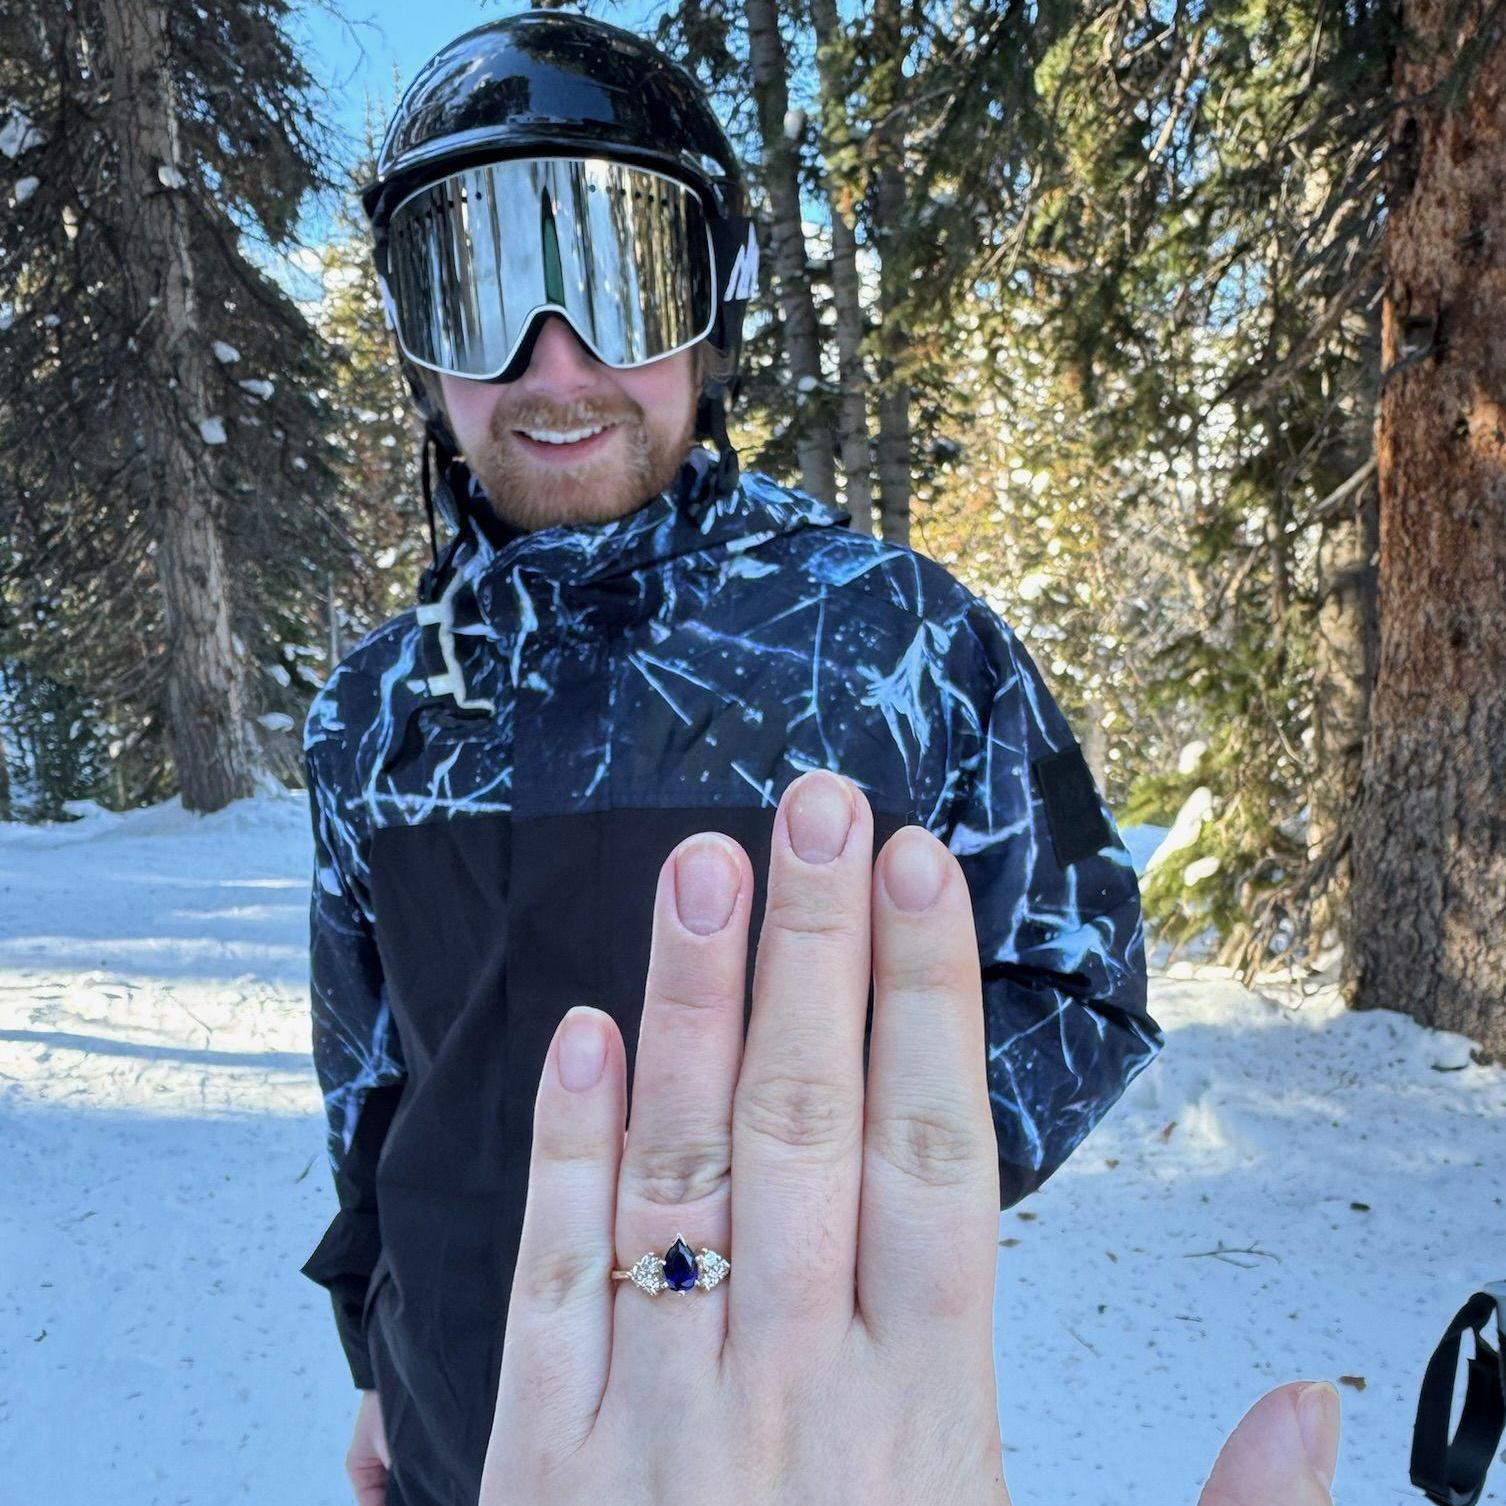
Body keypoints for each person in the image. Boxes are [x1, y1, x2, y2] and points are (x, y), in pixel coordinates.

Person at [299, 12, 1162, 1504]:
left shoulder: (897, 644)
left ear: (711, 311)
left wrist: (804, 1216)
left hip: (775, 1445)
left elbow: (1075, 980)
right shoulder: (376, 706)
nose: (552, 363)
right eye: (478, 289)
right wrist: (379, 1358)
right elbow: (370, 1081)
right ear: (416, 342)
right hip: (466, 1442)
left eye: (621, 282)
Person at [476, 776, 1343, 1505]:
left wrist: (898, 1208)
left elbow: (1088, 970)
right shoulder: (391, 687)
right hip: (523, 1398)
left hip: (615, 1405)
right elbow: (373, 1071)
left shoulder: (947, 636)